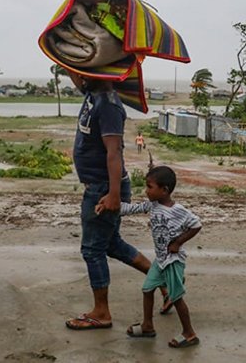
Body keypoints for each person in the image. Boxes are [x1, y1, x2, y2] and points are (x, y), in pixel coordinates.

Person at [64, 71, 162, 330]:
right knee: (112, 244)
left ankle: (101, 313)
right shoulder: (93, 93)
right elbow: (76, 77)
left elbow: (114, 152)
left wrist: (114, 195)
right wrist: (60, 51)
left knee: (92, 250)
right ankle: (165, 283)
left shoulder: (107, 104)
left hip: (104, 188)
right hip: (100, 186)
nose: (79, 72)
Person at [100, 166, 202, 348]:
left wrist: (178, 243)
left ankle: (189, 333)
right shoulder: (153, 205)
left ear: (165, 190)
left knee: (176, 297)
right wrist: (110, 204)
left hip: (173, 261)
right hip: (160, 259)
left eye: (149, 187)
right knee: (147, 289)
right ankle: (148, 326)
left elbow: (196, 224)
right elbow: (132, 208)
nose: (146, 191)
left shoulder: (178, 210)